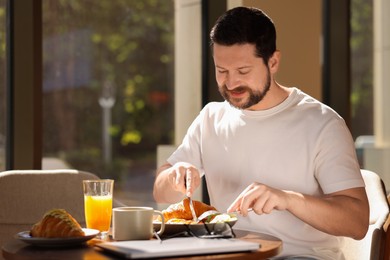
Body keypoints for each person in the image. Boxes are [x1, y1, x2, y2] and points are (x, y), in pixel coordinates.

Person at [153, 6, 369, 259]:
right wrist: (174, 177)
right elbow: (160, 191)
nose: (231, 83)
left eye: (243, 71)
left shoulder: (322, 123)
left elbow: (357, 223)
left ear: (273, 62)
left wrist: (288, 199)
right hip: (228, 253)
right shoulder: (211, 117)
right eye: (222, 71)